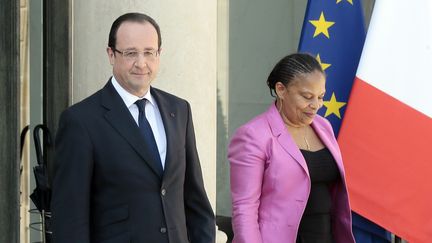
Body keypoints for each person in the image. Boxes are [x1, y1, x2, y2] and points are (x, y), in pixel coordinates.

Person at [51, 12, 215, 243]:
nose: (141, 63)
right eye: (130, 53)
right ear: (111, 54)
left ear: (159, 54)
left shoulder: (179, 110)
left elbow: (195, 201)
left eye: (149, 52)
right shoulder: (81, 121)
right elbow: (69, 219)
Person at [228, 53, 355, 243]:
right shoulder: (253, 135)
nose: (315, 105)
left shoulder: (324, 127)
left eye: (321, 97)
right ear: (281, 89)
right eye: (307, 96)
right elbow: (244, 208)